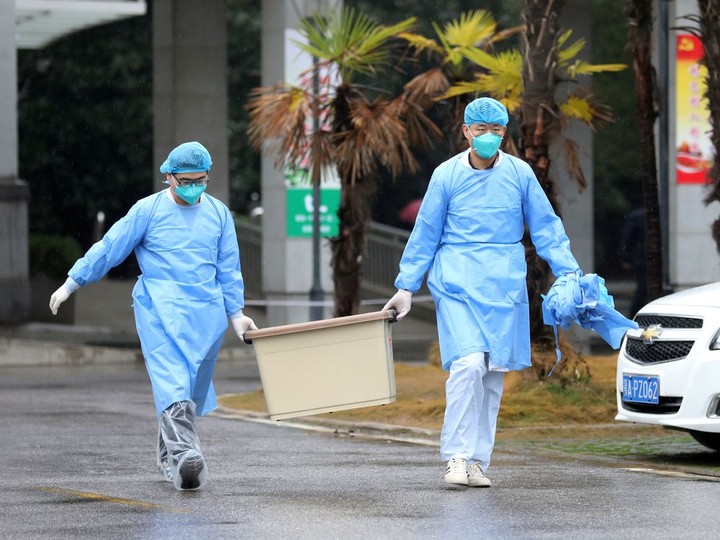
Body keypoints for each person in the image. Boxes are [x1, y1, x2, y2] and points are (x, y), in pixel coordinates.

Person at [383, 97, 582, 488]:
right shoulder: (446, 175)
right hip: (456, 280)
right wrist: (406, 285)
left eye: (496, 130)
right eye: (480, 129)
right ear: (466, 132)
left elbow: (546, 227)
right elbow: (426, 232)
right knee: (469, 364)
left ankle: (477, 460)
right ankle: (455, 456)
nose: (488, 137)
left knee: (492, 374)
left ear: (504, 133)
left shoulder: (521, 174)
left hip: (504, 283)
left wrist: (569, 272)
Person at [48, 141, 257, 491]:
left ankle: (169, 460)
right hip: (159, 308)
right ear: (169, 177)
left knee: (186, 388)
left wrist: (236, 313)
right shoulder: (147, 211)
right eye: (186, 181)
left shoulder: (219, 214)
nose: (193, 187)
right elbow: (111, 246)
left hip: (206, 312)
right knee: (172, 383)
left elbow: (228, 267)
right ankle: (187, 455)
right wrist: (73, 281)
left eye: (200, 180)